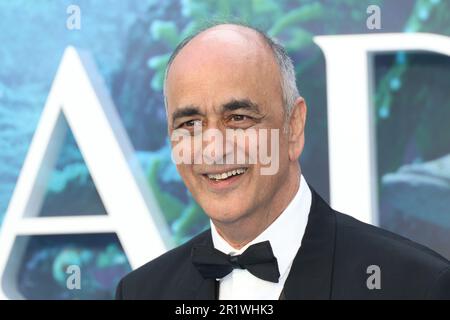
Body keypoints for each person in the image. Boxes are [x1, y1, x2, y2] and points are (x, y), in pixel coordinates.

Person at [115, 23, 450, 300]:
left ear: (294, 127)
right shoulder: (140, 292)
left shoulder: (416, 286)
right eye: (189, 124)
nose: (213, 149)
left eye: (239, 118)